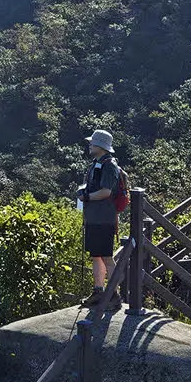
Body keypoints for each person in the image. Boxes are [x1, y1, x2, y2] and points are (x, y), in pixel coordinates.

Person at [78, 128, 122, 306]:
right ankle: (99, 291)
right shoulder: (99, 162)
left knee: (106, 257)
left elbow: (106, 191)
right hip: (96, 218)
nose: (90, 145)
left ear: (100, 146)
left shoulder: (109, 165)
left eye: (93, 143)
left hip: (104, 218)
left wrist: (87, 196)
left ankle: (114, 295)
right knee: (97, 255)